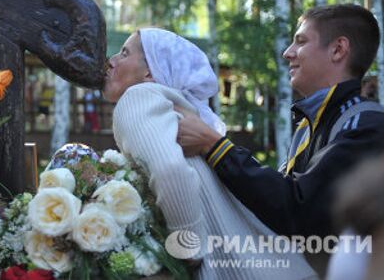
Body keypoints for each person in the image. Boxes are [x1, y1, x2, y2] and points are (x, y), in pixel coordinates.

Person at [176, 4, 384, 273]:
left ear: (338, 50)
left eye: (301, 41)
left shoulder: (366, 126)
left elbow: (299, 210)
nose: (288, 53)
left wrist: (214, 147)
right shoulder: (313, 123)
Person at [104, 28, 316, 279]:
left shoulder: (138, 96)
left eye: (124, 53)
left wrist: (187, 248)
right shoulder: (183, 110)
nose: (111, 60)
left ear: (150, 72)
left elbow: (169, 172)